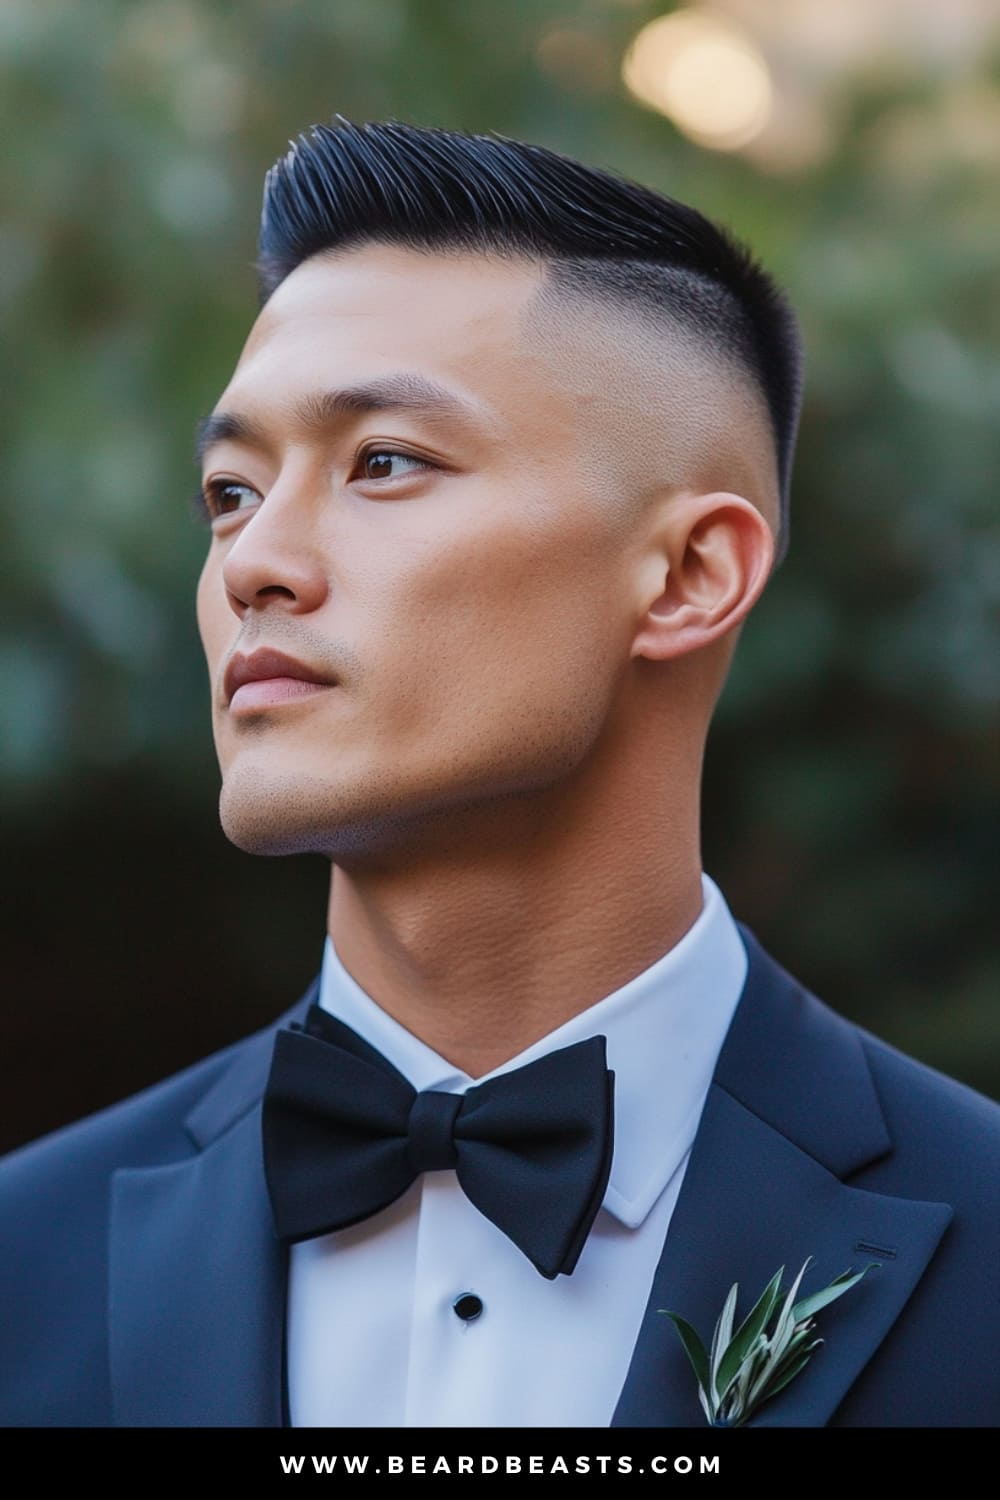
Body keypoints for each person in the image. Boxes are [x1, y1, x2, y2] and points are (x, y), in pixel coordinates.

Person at [2, 119, 997, 1430]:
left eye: (385, 463)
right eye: (230, 492)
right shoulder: (23, 1260)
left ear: (689, 575)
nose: (253, 565)